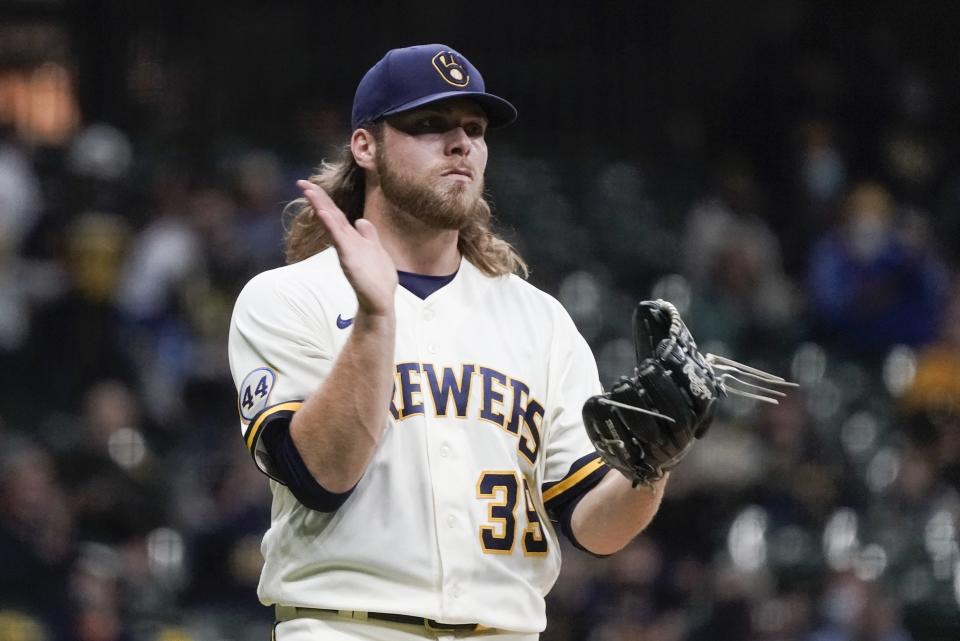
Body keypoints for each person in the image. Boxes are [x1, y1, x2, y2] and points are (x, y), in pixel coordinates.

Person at [228, 44, 670, 640]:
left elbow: (594, 527)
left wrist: (651, 465)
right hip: (348, 628)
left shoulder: (540, 319)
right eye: (430, 125)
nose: (460, 143)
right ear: (366, 146)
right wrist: (376, 317)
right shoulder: (289, 298)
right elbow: (320, 477)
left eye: (474, 129)